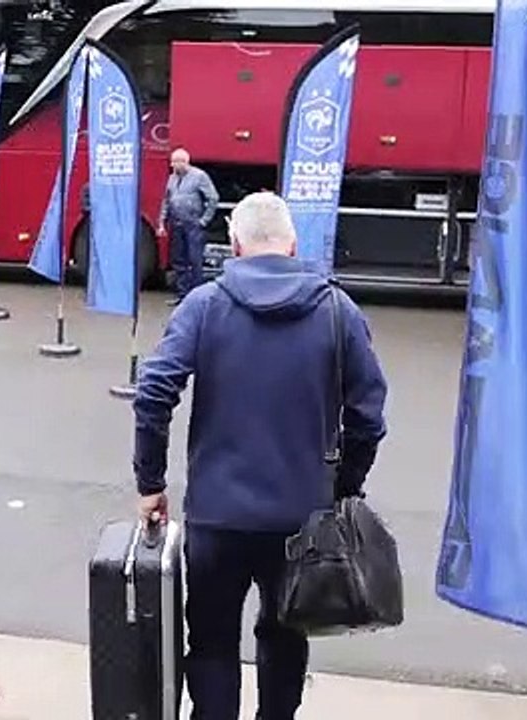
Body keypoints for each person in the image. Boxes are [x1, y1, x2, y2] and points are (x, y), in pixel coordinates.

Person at [132, 191, 388, 720]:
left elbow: (154, 390)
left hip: (216, 516)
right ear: (293, 244)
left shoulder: (205, 305)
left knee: (211, 641)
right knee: (285, 636)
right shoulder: (337, 311)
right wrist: (343, 485)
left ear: (234, 244)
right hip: (300, 519)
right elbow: (368, 416)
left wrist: (150, 481)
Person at [157, 147, 218, 305]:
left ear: (185, 161)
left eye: (176, 162)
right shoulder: (171, 179)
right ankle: (183, 295)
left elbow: (213, 198)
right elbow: (167, 200)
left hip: (193, 225)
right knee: (178, 261)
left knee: (194, 260)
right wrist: (161, 222)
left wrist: (204, 220)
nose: (173, 165)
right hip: (176, 224)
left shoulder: (199, 176)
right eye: (172, 162)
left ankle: (197, 298)